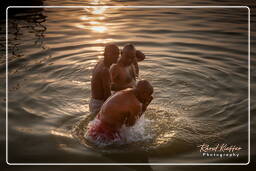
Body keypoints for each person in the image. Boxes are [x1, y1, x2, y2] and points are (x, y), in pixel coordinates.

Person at [86, 80, 153, 142]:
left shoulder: (126, 90)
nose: (149, 98)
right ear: (143, 93)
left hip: (95, 126)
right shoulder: (135, 104)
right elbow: (130, 126)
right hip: (106, 134)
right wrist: (145, 107)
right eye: (148, 95)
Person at [89, 44, 119, 116]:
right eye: (115, 54)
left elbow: (105, 85)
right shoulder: (105, 71)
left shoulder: (100, 62)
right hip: (99, 105)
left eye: (118, 53)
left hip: (93, 102)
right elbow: (107, 97)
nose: (117, 56)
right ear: (107, 54)